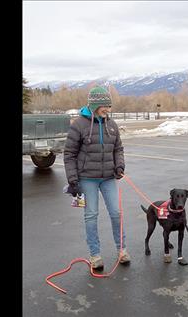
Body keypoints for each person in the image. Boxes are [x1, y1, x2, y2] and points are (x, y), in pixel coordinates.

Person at [63, 85, 130, 270]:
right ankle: (95, 255)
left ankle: (122, 250)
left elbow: (118, 148)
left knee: (117, 213)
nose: (108, 110)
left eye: (109, 106)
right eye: (105, 106)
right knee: (91, 215)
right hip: (87, 178)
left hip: (108, 177)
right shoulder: (78, 125)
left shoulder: (112, 124)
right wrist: (73, 179)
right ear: (94, 106)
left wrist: (119, 165)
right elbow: (69, 154)